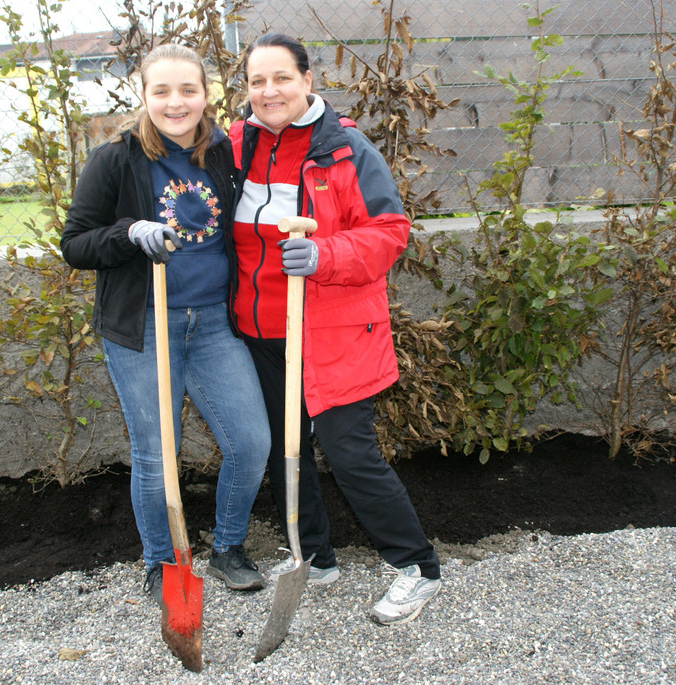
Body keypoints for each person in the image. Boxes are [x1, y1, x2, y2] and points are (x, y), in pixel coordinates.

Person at [228, 33, 441, 625]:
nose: (269, 92)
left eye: (281, 78)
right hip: (262, 330)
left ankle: (417, 567)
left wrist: (324, 255)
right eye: (256, 81)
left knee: (349, 453)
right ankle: (313, 556)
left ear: (307, 80)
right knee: (284, 449)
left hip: (335, 329)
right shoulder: (238, 145)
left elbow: (389, 231)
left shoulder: (344, 148)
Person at [61, 43, 270, 598]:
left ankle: (228, 547)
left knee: (251, 442)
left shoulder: (224, 152)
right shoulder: (116, 158)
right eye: (162, 91)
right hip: (145, 327)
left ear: (206, 94)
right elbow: (75, 244)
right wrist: (129, 233)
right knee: (158, 452)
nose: (176, 103)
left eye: (188, 90)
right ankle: (163, 562)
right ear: (144, 95)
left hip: (213, 326)